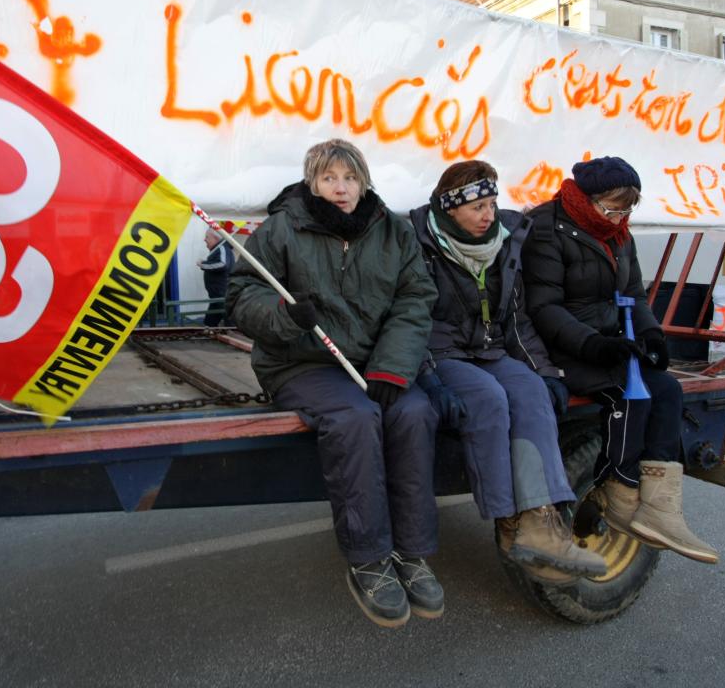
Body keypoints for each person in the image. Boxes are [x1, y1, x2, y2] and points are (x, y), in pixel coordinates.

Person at [226, 139, 442, 627]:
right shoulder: (283, 228)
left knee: (413, 412)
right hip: (302, 362)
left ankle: (411, 551)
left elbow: (414, 299)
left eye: (348, 178)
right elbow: (242, 295)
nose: (339, 188)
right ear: (312, 183)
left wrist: (391, 367)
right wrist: (285, 316)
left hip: (373, 363)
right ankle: (368, 558)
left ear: (363, 180)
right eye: (328, 179)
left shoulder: (394, 232)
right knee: (355, 416)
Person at [409, 161, 606, 585]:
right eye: (478, 206)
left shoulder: (503, 244)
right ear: (449, 208)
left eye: (492, 203)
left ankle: (541, 522)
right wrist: (427, 374)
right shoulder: (419, 242)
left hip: (489, 347)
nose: (488, 215)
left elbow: (515, 319)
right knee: (489, 399)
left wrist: (545, 370)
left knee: (532, 392)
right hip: (440, 351)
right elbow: (410, 318)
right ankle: (508, 523)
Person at [522, 156, 718, 564]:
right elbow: (544, 307)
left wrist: (651, 334)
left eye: (627, 210)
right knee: (628, 395)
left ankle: (660, 507)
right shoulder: (547, 228)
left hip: (610, 340)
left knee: (666, 389)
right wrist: (594, 344)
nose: (619, 218)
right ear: (586, 200)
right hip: (562, 346)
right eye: (613, 208)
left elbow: (635, 294)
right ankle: (619, 489)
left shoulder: (619, 234)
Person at [197, 228, 234, 327]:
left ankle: (234, 334)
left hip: (222, 292)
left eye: (207, 237)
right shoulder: (219, 249)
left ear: (216, 238)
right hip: (217, 294)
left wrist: (203, 264)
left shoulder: (222, 248)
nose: (205, 240)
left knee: (230, 321)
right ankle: (210, 329)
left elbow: (223, 264)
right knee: (210, 323)